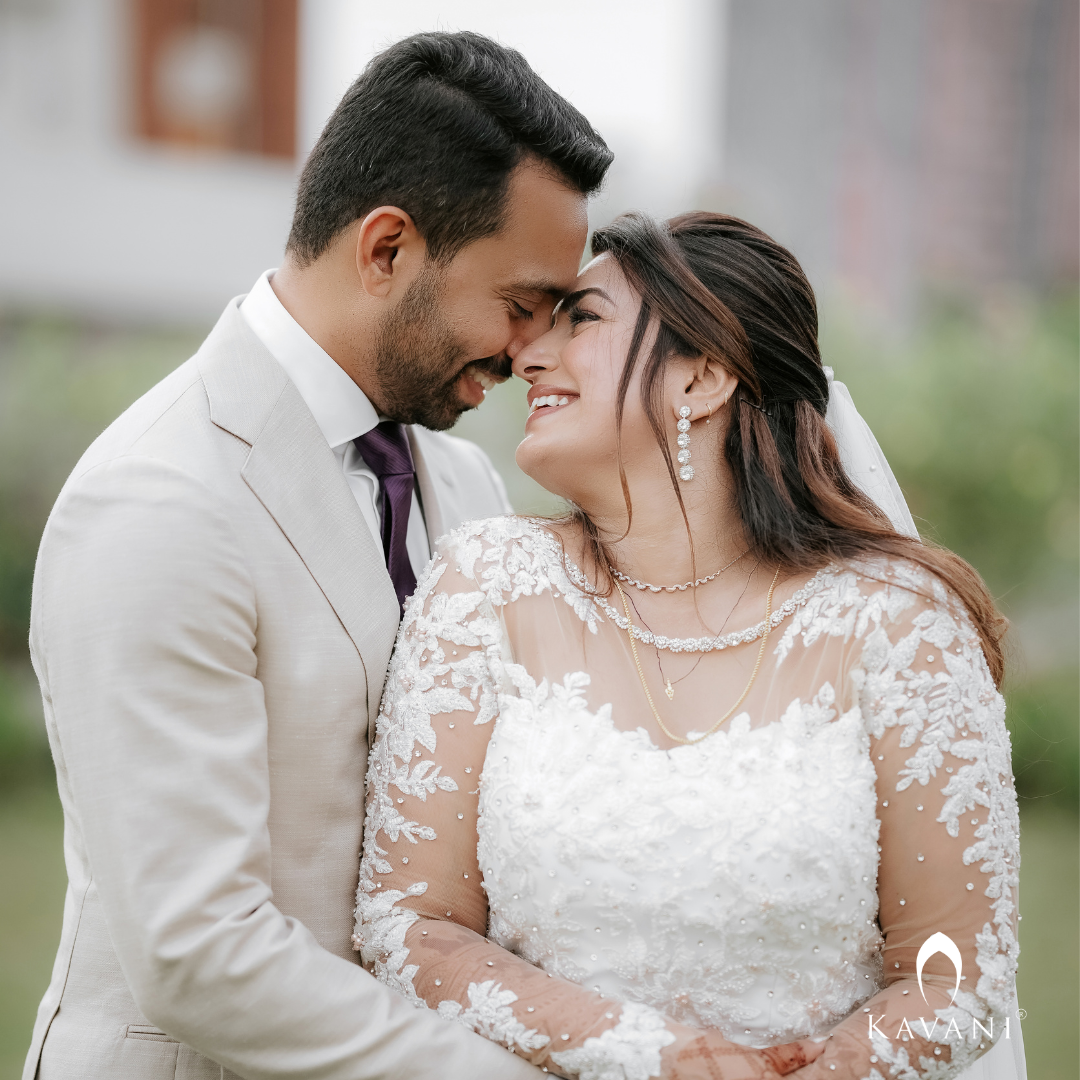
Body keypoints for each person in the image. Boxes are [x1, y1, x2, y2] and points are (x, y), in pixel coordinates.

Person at [24, 31, 611, 1080]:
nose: (532, 354)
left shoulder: (466, 486)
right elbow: (197, 954)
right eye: (520, 306)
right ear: (387, 249)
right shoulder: (157, 503)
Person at [355, 212, 1026, 1079]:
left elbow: (956, 973)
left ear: (702, 376)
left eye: (582, 319)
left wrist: (838, 1068)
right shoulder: (485, 586)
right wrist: (642, 1055)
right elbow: (412, 926)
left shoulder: (897, 623)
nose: (527, 356)